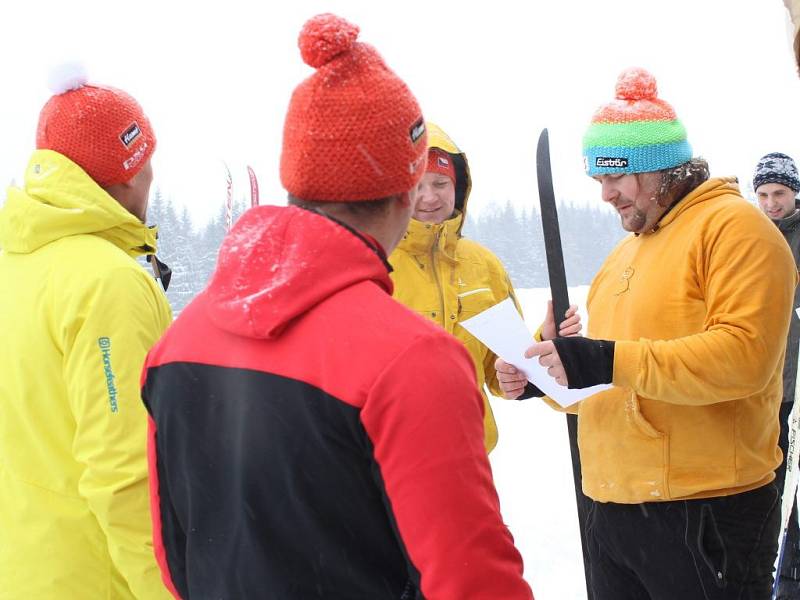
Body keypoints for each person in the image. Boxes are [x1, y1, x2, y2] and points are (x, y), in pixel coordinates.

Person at [140, 14, 533, 600]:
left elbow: (173, 552)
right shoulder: (411, 359)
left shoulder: (179, 341)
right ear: (405, 189)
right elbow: (474, 582)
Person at [496, 67, 797, 599]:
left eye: (615, 177)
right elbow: (616, 384)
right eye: (599, 181)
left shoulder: (736, 229)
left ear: (659, 168)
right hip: (613, 509)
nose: (606, 195)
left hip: (705, 508)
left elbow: (745, 358)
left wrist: (603, 358)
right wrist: (547, 376)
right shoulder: (623, 256)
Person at [0, 68, 173, 598]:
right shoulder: (107, 285)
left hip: (24, 568)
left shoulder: (15, 263)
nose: (150, 178)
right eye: (147, 163)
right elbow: (126, 474)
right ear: (125, 173)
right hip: (97, 578)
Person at [389, 123, 580, 452]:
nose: (429, 197)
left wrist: (544, 342)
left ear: (458, 188)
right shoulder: (373, 262)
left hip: (468, 461)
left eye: (440, 183)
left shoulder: (483, 266)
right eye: (416, 185)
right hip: (383, 466)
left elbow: (504, 375)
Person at [754, 151, 800, 599]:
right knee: (768, 481)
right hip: (760, 386)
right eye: (764, 194)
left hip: (795, 386)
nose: (771, 203)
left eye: (779, 194)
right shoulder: (748, 237)